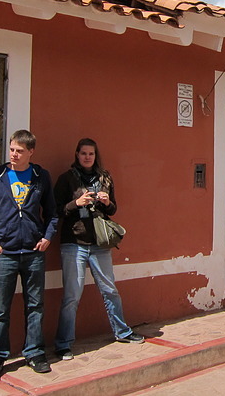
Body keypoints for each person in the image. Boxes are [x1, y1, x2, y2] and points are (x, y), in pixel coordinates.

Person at [0, 129, 58, 381]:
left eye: (19, 151)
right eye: (12, 149)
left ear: (30, 152)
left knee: (35, 306)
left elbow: (52, 213)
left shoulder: (40, 176)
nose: (14, 154)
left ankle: (34, 352)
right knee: (0, 310)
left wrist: (47, 237)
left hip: (33, 253)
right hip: (4, 254)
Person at [53, 138, 144, 361]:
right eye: (83, 153)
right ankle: (64, 344)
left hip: (100, 244)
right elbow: (56, 210)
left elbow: (113, 209)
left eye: (91, 154)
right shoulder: (67, 179)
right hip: (74, 243)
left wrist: (105, 202)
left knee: (110, 290)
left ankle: (122, 331)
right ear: (77, 154)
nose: (87, 157)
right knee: (72, 296)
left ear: (95, 156)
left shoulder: (105, 178)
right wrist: (77, 203)